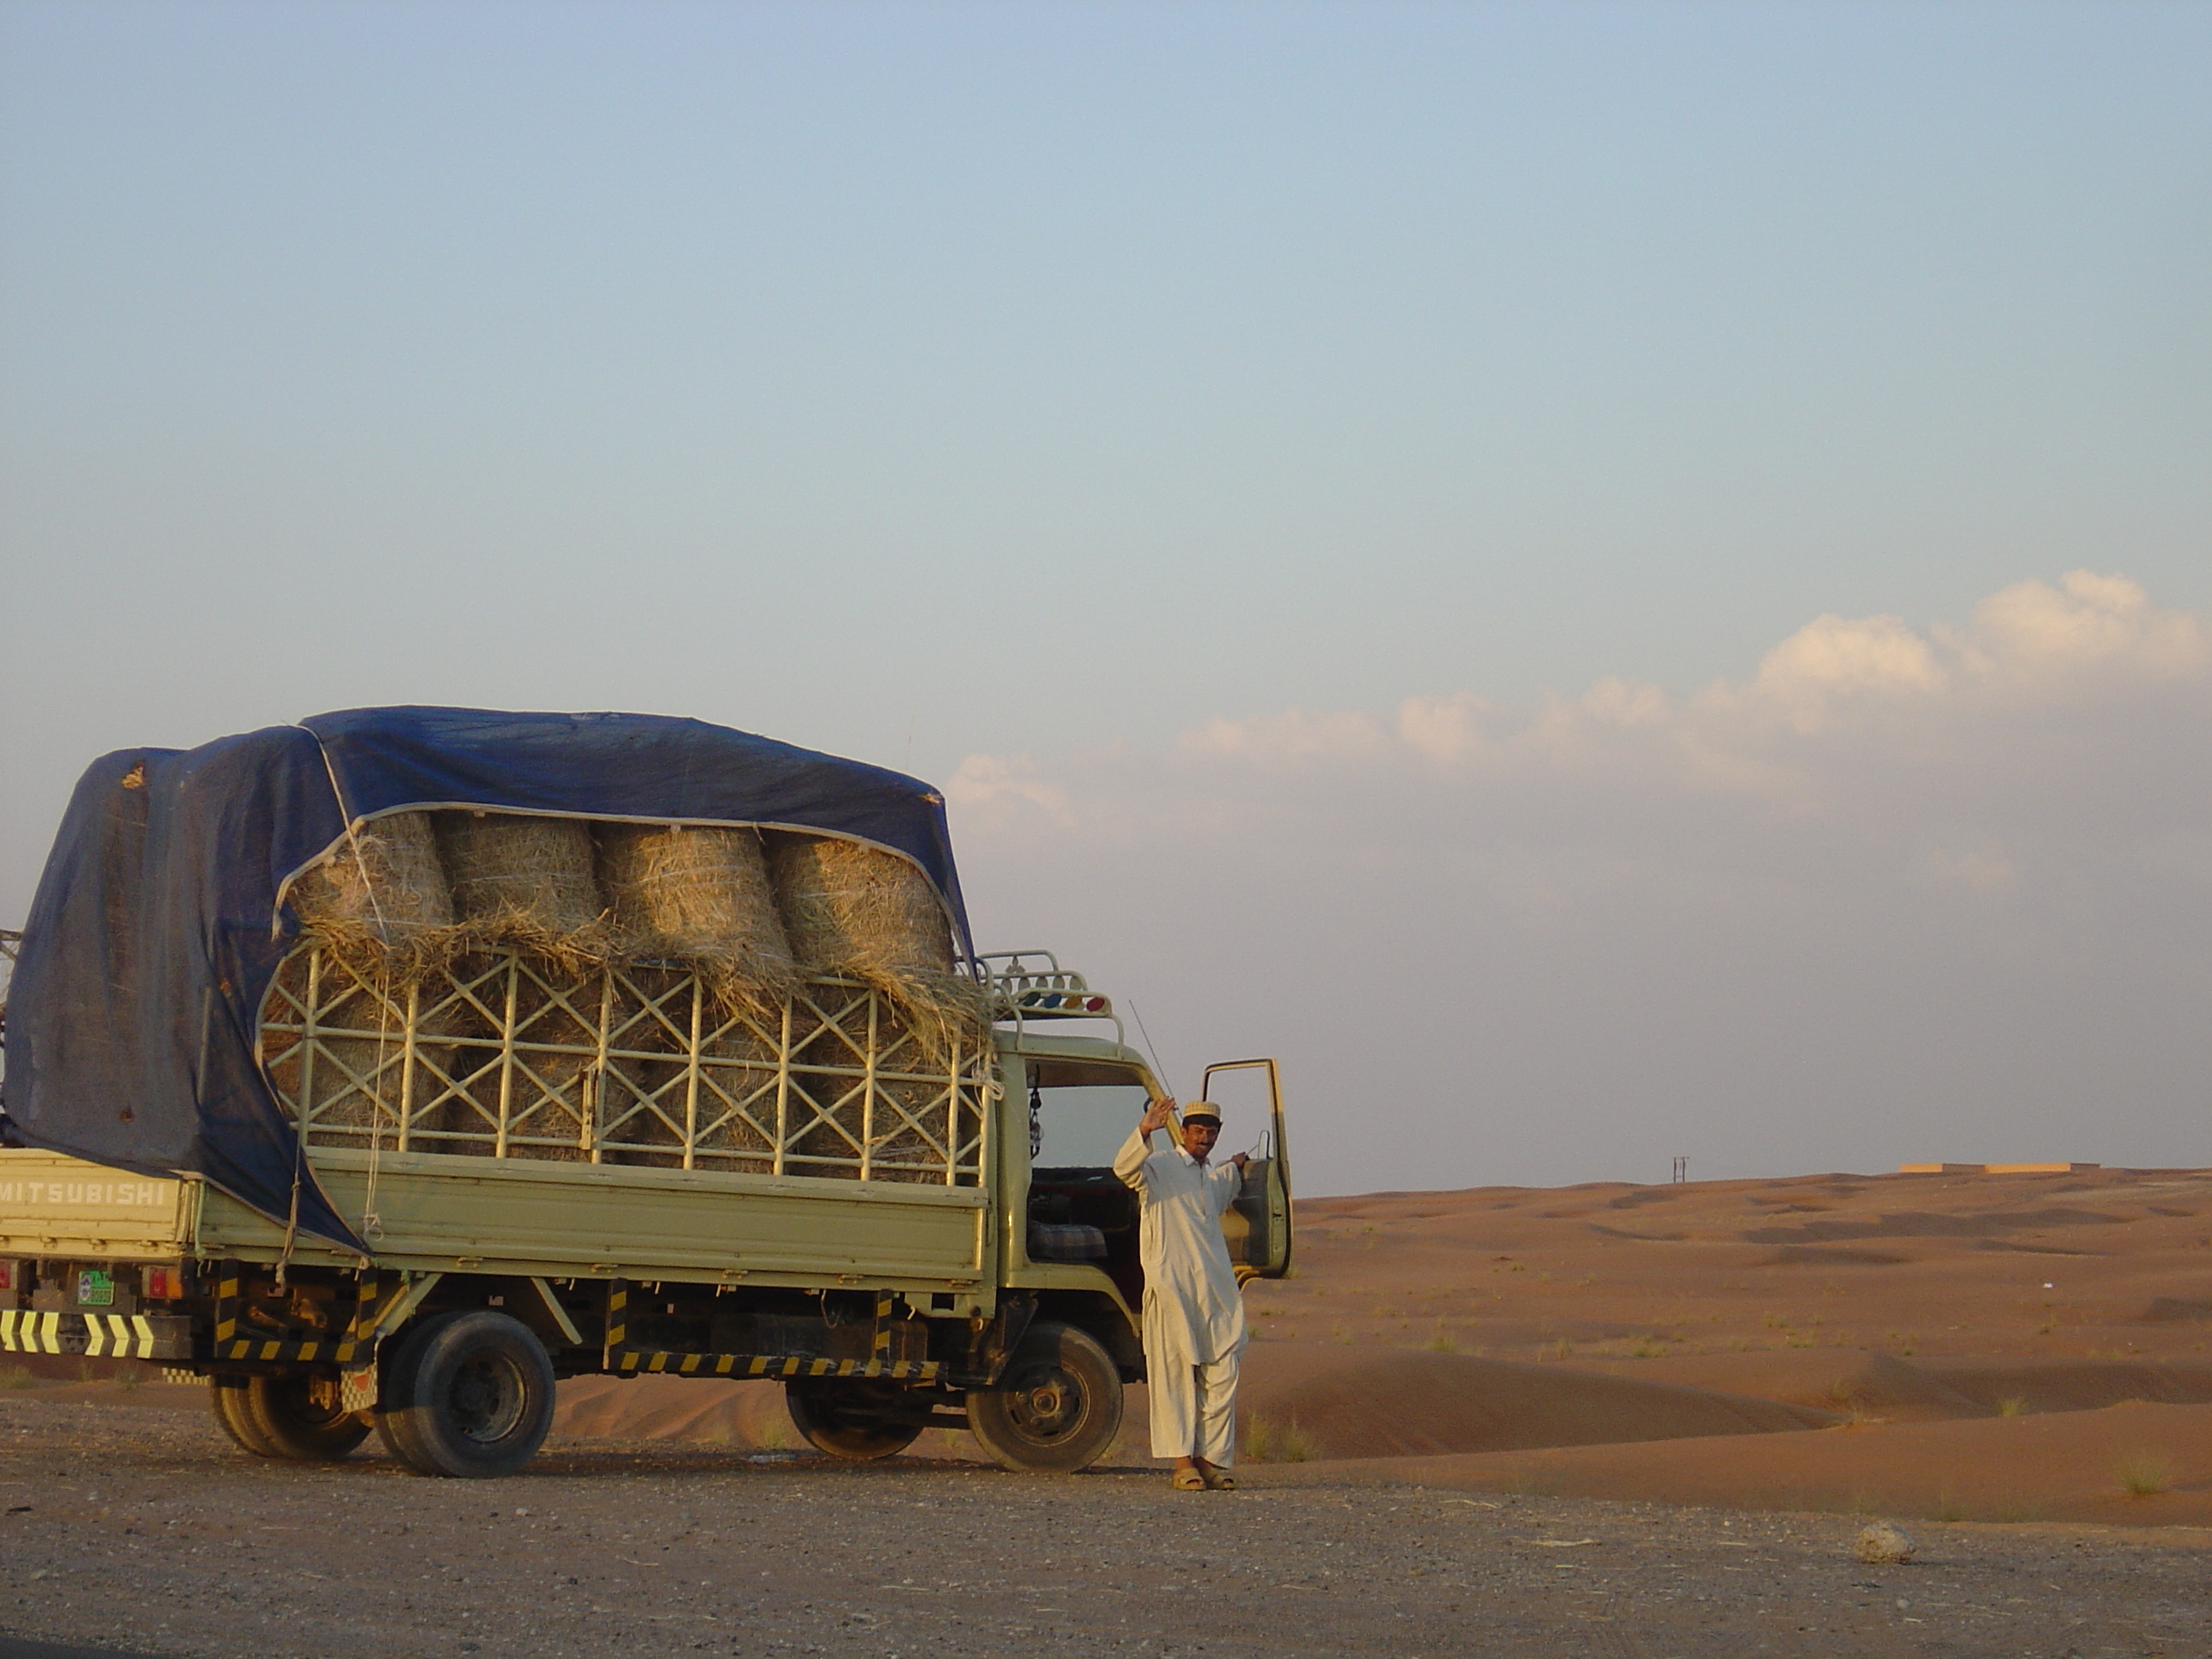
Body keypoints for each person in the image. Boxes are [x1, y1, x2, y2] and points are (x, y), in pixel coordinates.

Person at [1113, 1092, 1249, 1491]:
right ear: (1184, 1132)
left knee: (1223, 1370)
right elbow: (1124, 1168)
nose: (1204, 1138)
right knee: (1173, 1373)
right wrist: (1144, 1129)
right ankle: (1181, 1463)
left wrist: (1239, 1165)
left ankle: (1211, 1460)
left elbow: (1228, 1178)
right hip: (1172, 1288)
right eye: (1198, 1131)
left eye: (1211, 1132)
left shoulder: (1213, 1178)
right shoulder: (1159, 1167)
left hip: (1216, 1289)